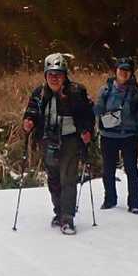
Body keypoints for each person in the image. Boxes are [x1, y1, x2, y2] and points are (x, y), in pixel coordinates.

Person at [22, 53, 95, 234]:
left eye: (58, 74)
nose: (54, 78)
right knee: (53, 179)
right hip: (47, 140)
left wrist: (87, 131)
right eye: (51, 74)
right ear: (45, 75)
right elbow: (31, 111)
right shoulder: (39, 93)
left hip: (70, 140)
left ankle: (68, 218)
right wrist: (28, 121)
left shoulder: (77, 91)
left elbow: (88, 115)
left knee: (68, 178)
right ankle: (59, 212)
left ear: (65, 75)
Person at [94, 57, 138, 214]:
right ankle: (110, 200)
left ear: (131, 73)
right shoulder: (105, 90)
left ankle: (134, 203)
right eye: (121, 69)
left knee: (132, 171)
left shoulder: (135, 93)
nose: (124, 73)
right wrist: (88, 106)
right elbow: (97, 110)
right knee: (108, 171)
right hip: (108, 136)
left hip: (129, 136)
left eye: (127, 70)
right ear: (116, 71)